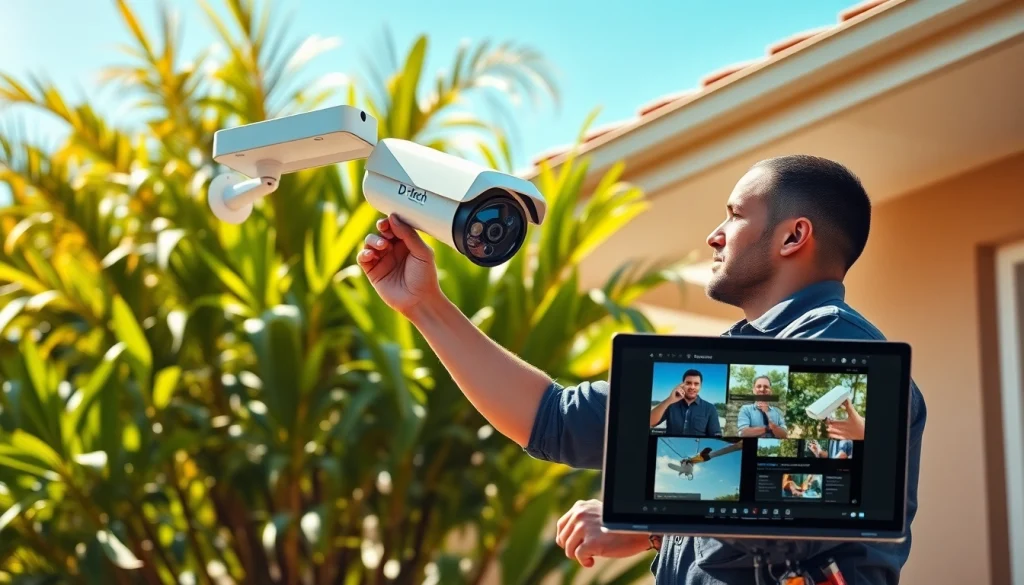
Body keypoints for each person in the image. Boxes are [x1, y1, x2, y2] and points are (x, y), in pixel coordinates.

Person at [357, 154, 927, 584]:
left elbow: (794, 492)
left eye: (733, 214)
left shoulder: (839, 347)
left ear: (793, 235)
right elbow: (553, 420)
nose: (714, 234)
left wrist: (646, 515)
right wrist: (424, 305)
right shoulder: (732, 368)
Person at [650, 369, 723, 436]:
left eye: (696, 384)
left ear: (700, 386)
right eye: (688, 383)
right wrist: (670, 399)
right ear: (682, 385)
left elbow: (715, 435)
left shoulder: (710, 408)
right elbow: (650, 422)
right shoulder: (670, 404)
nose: (692, 387)